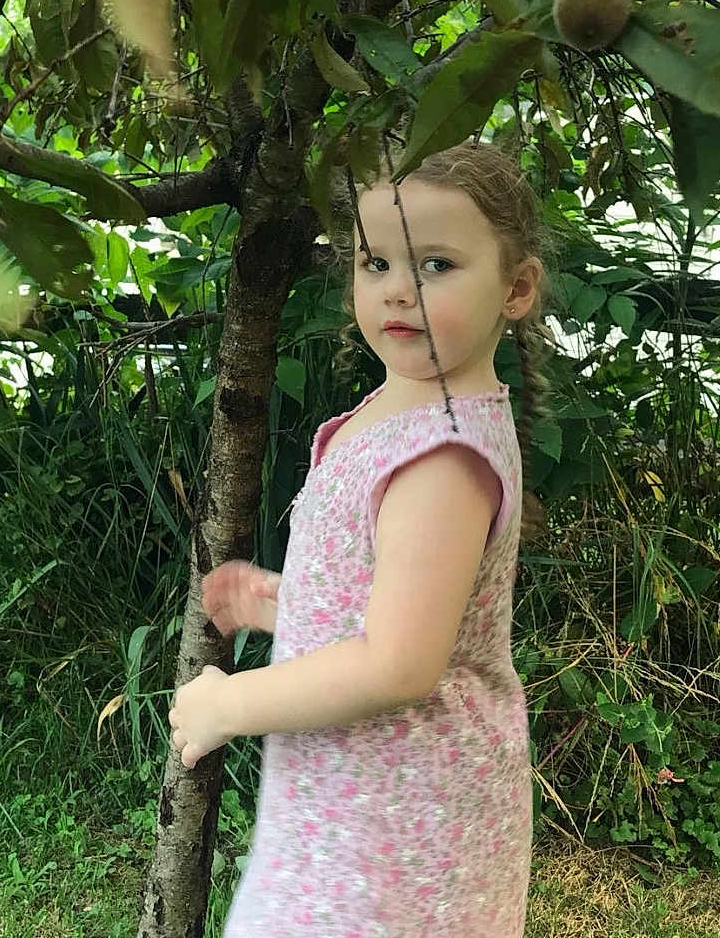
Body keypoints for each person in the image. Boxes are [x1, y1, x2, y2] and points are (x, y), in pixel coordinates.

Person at [177, 140, 550, 936]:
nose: (399, 292)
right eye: (375, 262)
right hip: (354, 810)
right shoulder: (408, 406)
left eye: (437, 266)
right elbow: (385, 603)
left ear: (516, 288)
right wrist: (287, 604)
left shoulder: (442, 458)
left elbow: (399, 661)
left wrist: (227, 703)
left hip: (396, 832)